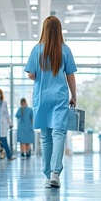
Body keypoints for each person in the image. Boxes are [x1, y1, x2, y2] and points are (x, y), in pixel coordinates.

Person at [24, 16, 77, 188]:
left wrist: (41, 74)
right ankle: (55, 173)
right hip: (60, 97)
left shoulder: (37, 49)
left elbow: (31, 74)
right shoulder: (65, 50)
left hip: (42, 97)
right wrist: (74, 96)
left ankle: (48, 175)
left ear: (45, 30)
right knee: (59, 134)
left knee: (46, 137)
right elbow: (70, 76)